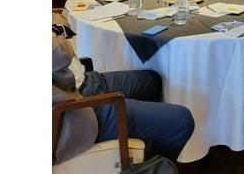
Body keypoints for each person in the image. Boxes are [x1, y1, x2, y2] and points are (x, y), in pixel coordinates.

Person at [52, 28, 195, 163]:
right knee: (182, 121)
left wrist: (55, 32)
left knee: (153, 81)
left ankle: (144, 157)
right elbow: (61, 52)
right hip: (74, 114)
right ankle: (149, 173)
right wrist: (56, 35)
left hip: (80, 85)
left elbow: (60, 22)